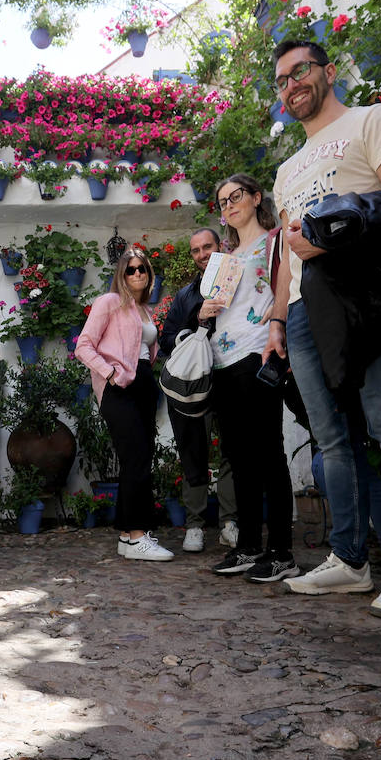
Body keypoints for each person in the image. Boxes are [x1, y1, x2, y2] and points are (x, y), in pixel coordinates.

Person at [268, 39, 381, 620]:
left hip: (361, 292)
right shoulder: (286, 170)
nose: (292, 84)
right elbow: (286, 256)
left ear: (328, 71)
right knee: (330, 439)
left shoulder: (375, 119)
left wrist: (336, 232)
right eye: (281, 80)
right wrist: (277, 320)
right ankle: (348, 560)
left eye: (301, 71)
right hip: (302, 309)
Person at [197, 174, 296, 582]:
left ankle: (281, 551)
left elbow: (286, 287)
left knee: (268, 452)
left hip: (259, 352)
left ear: (256, 198)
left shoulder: (274, 242)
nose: (229, 205)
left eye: (236, 196)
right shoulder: (223, 257)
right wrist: (204, 313)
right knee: (238, 458)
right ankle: (249, 546)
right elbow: (214, 309)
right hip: (223, 359)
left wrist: (279, 328)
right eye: (222, 202)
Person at [75, 245, 174, 561]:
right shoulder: (109, 302)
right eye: (130, 269)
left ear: (149, 274)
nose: (137, 274)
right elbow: (83, 347)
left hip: (144, 384)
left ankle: (126, 536)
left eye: (142, 268)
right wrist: (110, 373)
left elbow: (146, 350)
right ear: (121, 273)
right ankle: (137, 536)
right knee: (136, 457)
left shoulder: (145, 310)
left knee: (141, 457)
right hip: (120, 387)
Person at [158, 227, 239, 554]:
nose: (203, 254)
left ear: (220, 247)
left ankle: (230, 523)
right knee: (194, 449)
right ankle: (194, 524)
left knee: (234, 447)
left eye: (207, 247)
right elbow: (165, 341)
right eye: (196, 250)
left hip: (233, 374)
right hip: (195, 381)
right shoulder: (185, 296)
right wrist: (196, 320)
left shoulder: (239, 281)